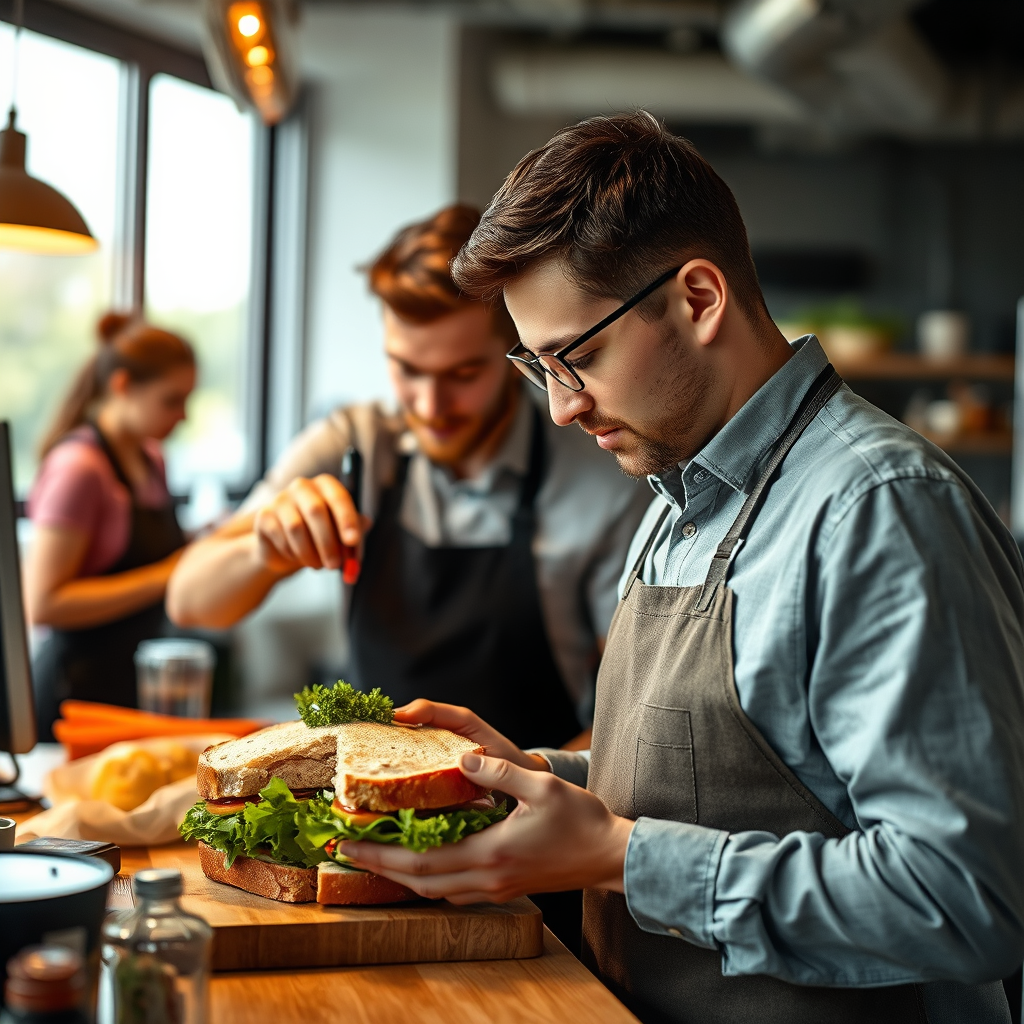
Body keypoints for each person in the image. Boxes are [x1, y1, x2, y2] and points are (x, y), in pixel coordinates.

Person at [333, 114, 1024, 1024]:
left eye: (576, 357)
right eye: (537, 367)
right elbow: (725, 796)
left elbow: (967, 897)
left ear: (700, 298)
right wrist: (533, 783)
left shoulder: (878, 508)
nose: (561, 407)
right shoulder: (679, 496)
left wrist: (617, 857)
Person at [166, 204, 649, 952]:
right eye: (407, 372)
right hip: (358, 845)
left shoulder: (593, 481)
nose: (430, 406)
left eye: (463, 375)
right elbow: (192, 600)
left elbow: (620, 723)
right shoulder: (354, 443)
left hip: (520, 871)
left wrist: (499, 801)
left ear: (514, 352)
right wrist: (264, 545)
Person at [26, 313, 195, 740]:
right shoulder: (78, 470)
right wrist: (166, 575)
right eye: (171, 400)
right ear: (122, 386)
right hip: (73, 696)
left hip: (131, 687)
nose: (183, 415)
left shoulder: (151, 459)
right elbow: (43, 602)